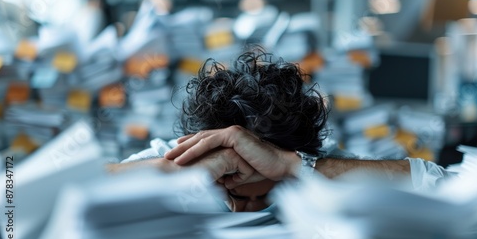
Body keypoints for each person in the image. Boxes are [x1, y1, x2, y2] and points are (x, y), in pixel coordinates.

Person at [109, 50, 448, 211]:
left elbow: (443, 184)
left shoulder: (315, 166)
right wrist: (173, 171)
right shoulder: (177, 159)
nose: (250, 211)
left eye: (268, 196)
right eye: (235, 195)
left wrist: (293, 166)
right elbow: (62, 187)